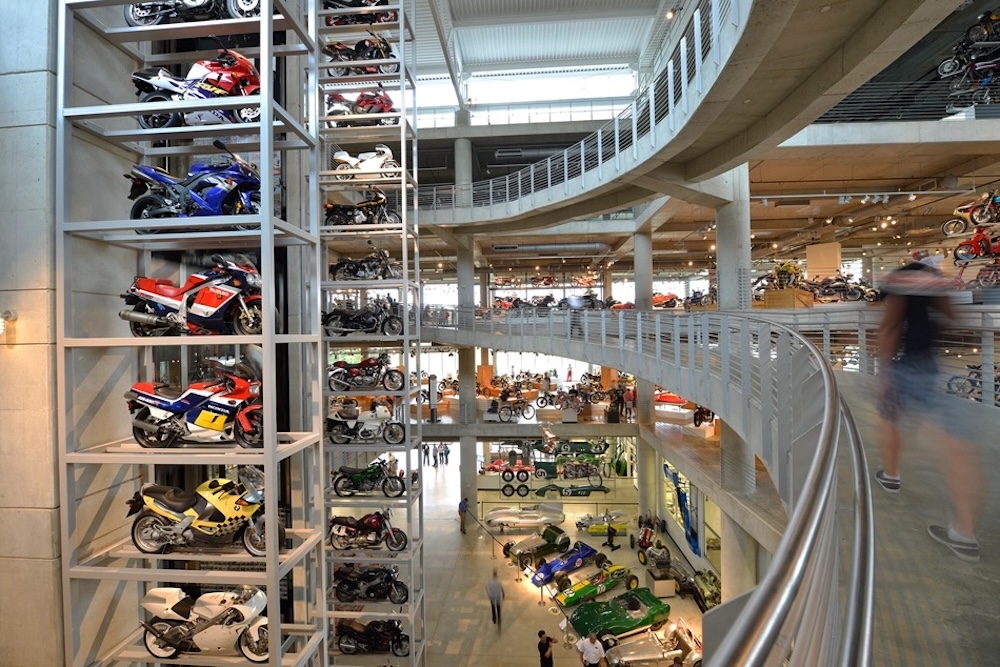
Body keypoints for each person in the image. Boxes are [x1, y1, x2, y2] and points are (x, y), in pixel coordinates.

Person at [874, 260, 984, 562]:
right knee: (956, 443)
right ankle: (963, 532)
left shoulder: (900, 282)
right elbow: (951, 315)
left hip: (905, 367)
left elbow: (890, 326)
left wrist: (884, 374)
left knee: (892, 419)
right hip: (929, 363)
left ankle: (891, 475)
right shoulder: (935, 282)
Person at [486, 567, 505, 633]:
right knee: (498, 606)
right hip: (497, 595)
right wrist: (503, 593)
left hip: (492, 596)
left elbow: (488, 588)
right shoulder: (498, 581)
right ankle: (498, 618)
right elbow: (501, 587)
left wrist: (489, 595)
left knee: (493, 607)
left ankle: (494, 618)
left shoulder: (490, 581)